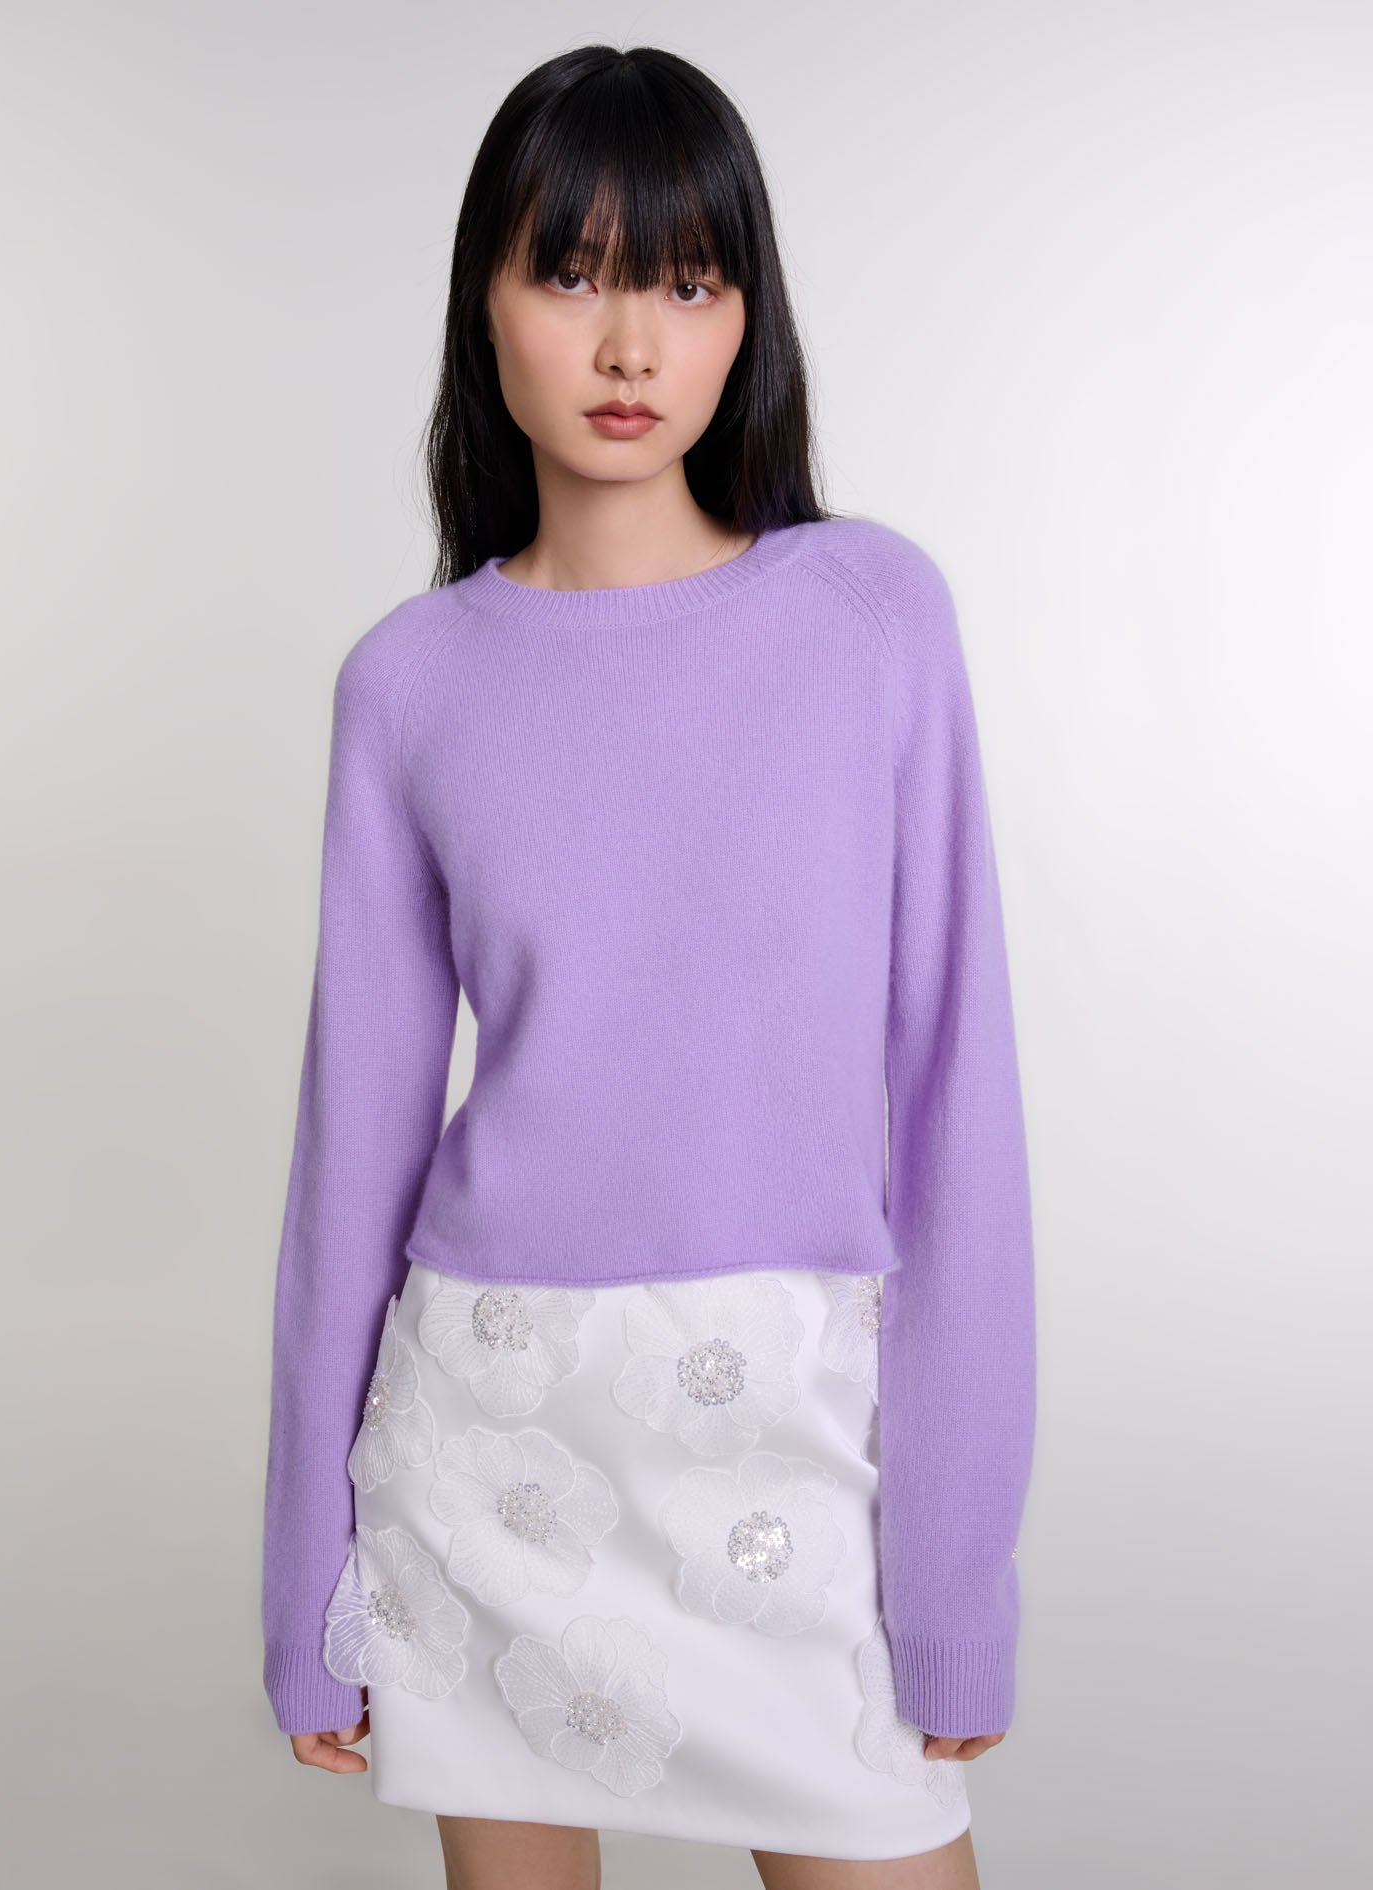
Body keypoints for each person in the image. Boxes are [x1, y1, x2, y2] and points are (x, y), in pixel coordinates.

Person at [259, 41, 1036, 1890]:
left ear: (747, 315)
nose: (630, 345)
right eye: (572, 273)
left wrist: (956, 1570)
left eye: (687, 283)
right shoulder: (409, 684)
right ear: (487, 303)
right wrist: (302, 1576)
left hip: (795, 1433)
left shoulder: (872, 618)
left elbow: (959, 1109)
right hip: (492, 1438)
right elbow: (351, 1159)